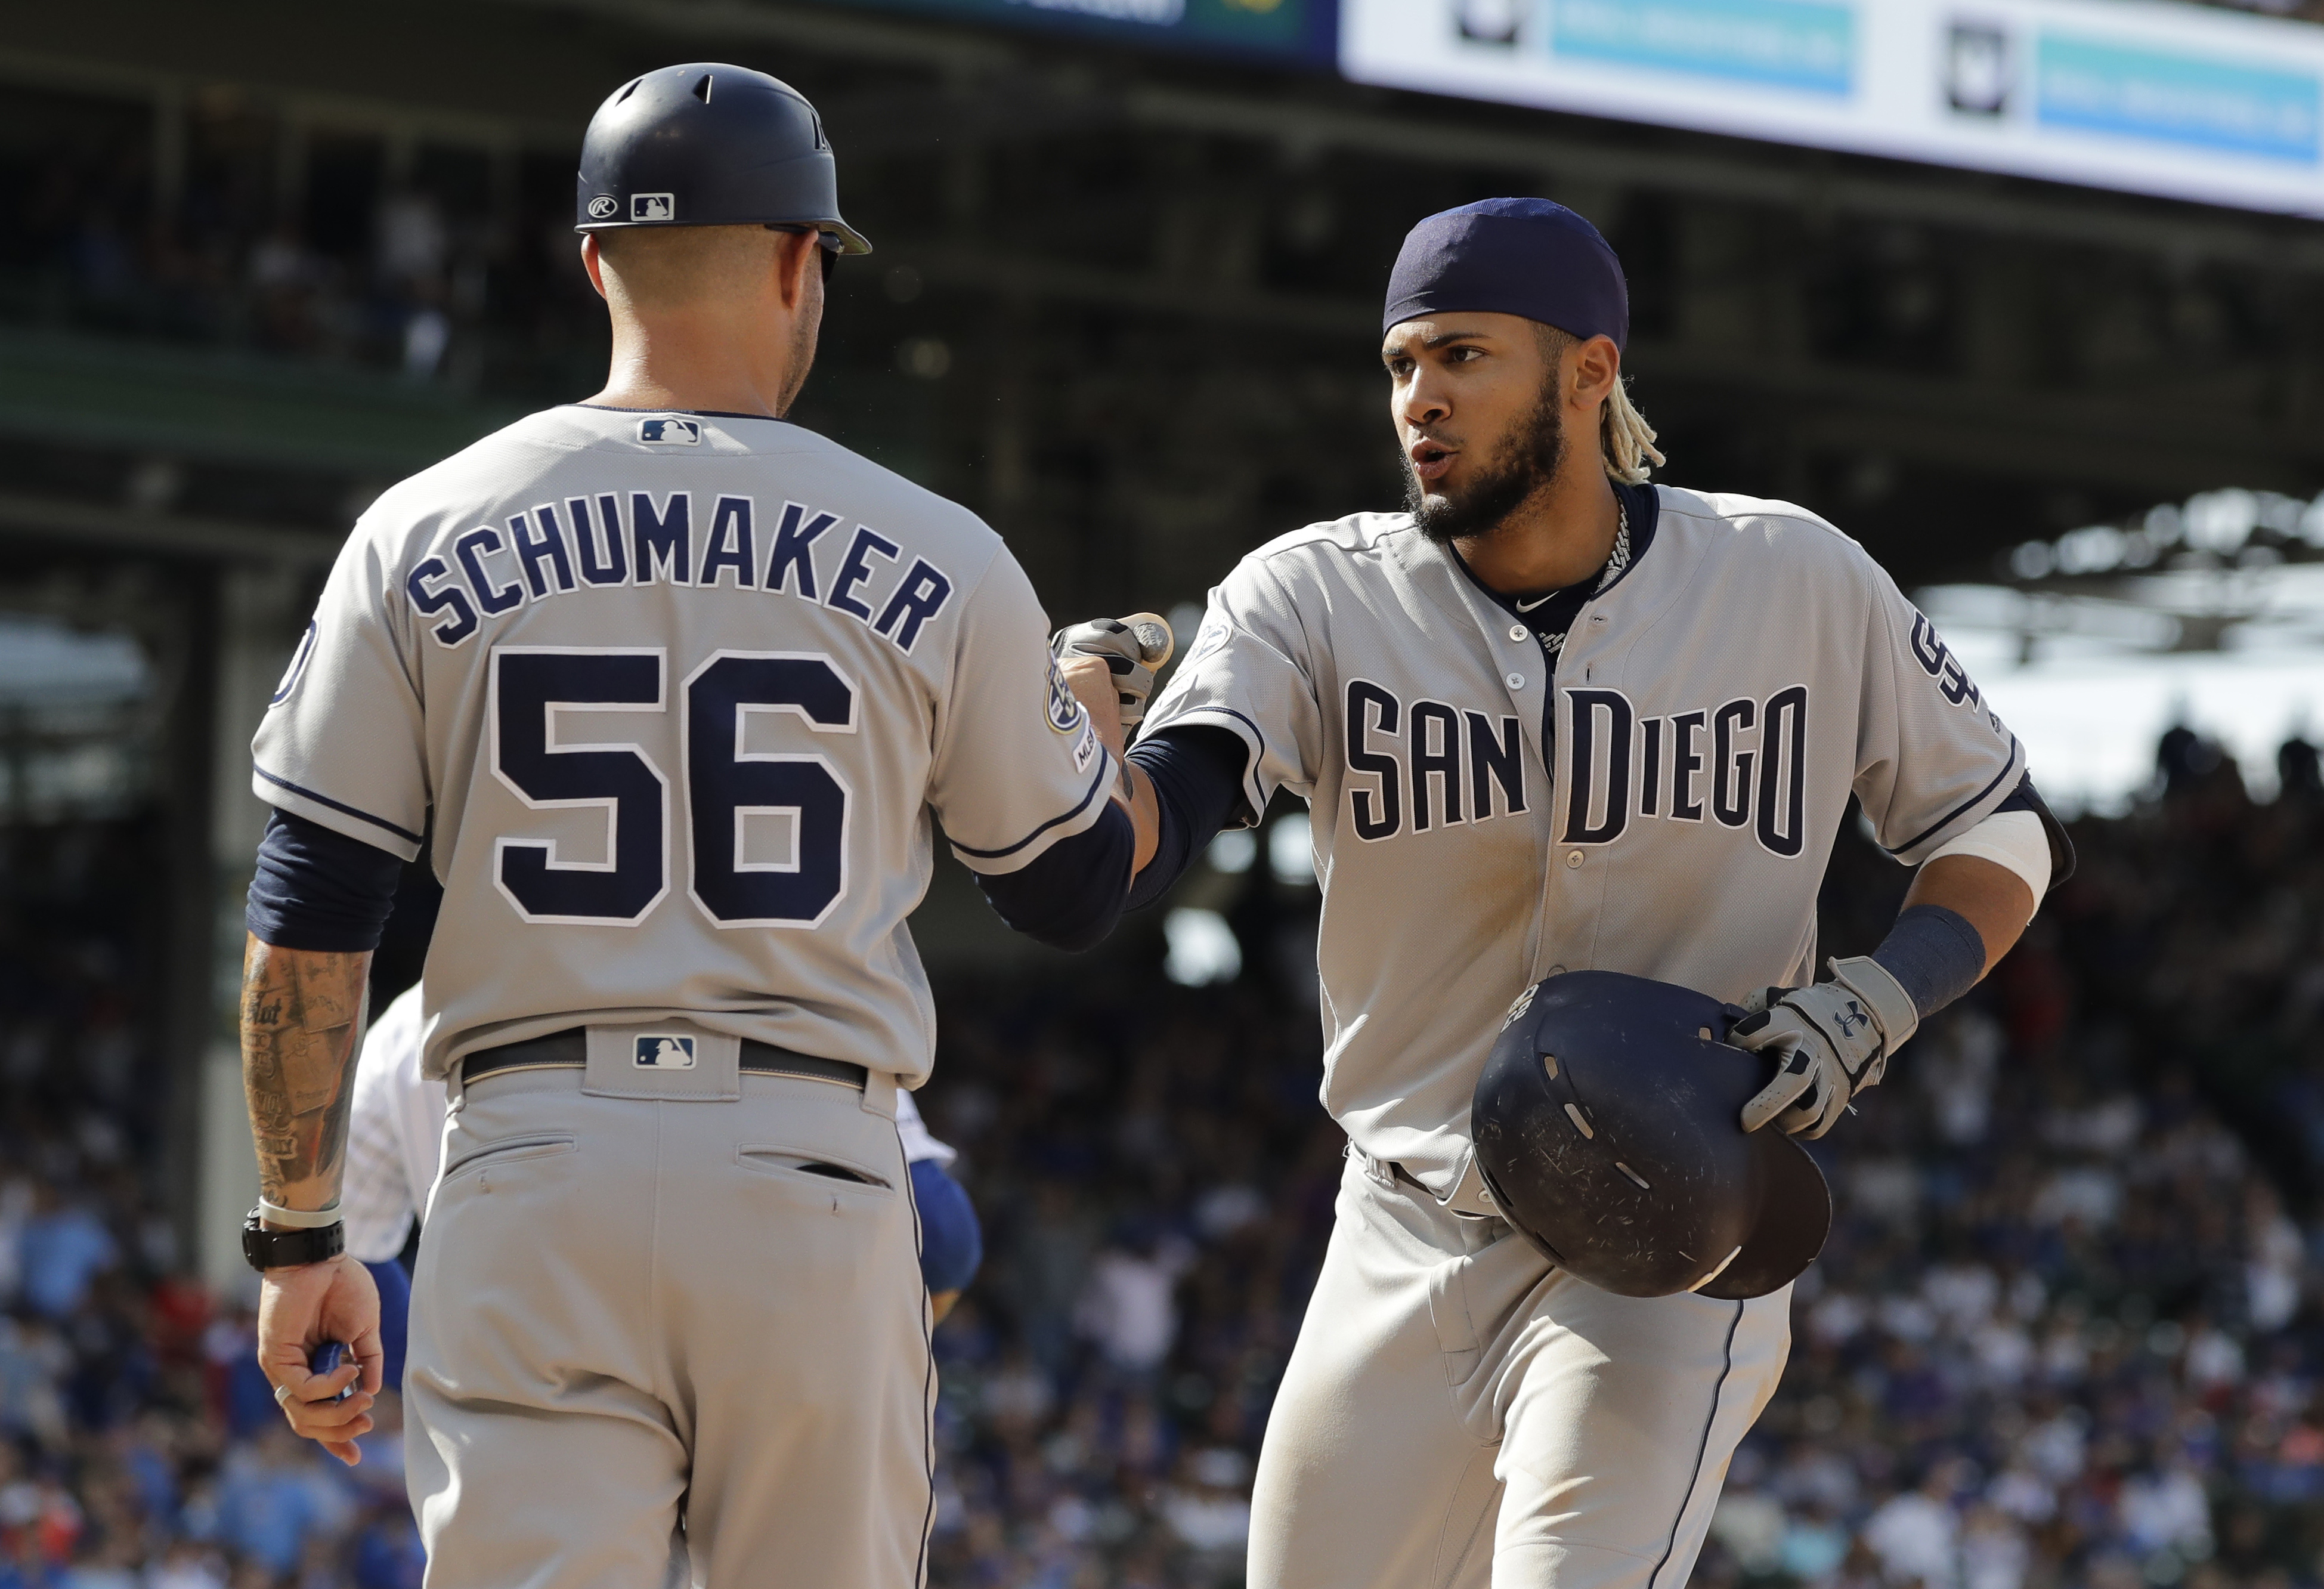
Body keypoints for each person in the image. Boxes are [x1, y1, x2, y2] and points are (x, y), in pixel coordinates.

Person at [1051, 197, 2073, 1589]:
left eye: (1460, 356)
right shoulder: (1311, 596)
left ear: (1588, 373)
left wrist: (1884, 992)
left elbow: (1998, 830)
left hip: (1673, 1224)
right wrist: (1073, 770)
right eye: (1400, 364)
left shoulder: (1790, 574)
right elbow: (1145, 836)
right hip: (1404, 1221)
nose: (1418, 399)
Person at [233, 63, 1131, 1589]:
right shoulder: (940, 547)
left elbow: (311, 907)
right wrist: (1089, 711)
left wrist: (298, 1237)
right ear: (800, 262)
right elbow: (1069, 883)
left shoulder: (421, 526)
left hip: (523, 1167)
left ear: (595, 262)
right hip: (811, 1173)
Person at [341, 982, 983, 1321]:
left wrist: (443, 1377)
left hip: (515, 1405)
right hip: (748, 1390)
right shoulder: (785, 974)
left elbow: (356, 1275)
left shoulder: (403, 1029)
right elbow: (942, 1233)